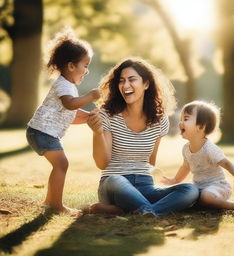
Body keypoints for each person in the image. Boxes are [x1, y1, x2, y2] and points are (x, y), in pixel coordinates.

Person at [87, 57, 199, 216]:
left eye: (132, 79)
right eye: (121, 81)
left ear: (146, 84)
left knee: (190, 189)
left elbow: (150, 161)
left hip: (145, 186)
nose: (125, 85)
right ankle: (147, 209)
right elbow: (102, 163)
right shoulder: (107, 115)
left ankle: (138, 210)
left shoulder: (159, 120)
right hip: (114, 186)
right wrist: (97, 133)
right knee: (114, 180)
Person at [26, 27, 100, 214]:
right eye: (85, 65)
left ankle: (50, 201)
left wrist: (90, 116)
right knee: (62, 164)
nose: (87, 71)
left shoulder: (69, 87)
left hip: (42, 132)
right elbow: (69, 105)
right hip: (42, 133)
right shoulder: (63, 85)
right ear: (71, 66)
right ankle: (56, 205)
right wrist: (91, 95)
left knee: (60, 164)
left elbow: (71, 114)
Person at [161, 101, 234, 213]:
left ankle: (232, 205)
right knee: (187, 195)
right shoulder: (186, 148)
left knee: (206, 197)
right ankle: (203, 202)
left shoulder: (209, 148)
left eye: (186, 119)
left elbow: (226, 163)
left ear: (201, 126)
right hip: (199, 187)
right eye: (181, 119)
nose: (180, 123)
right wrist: (174, 180)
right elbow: (185, 167)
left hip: (218, 186)